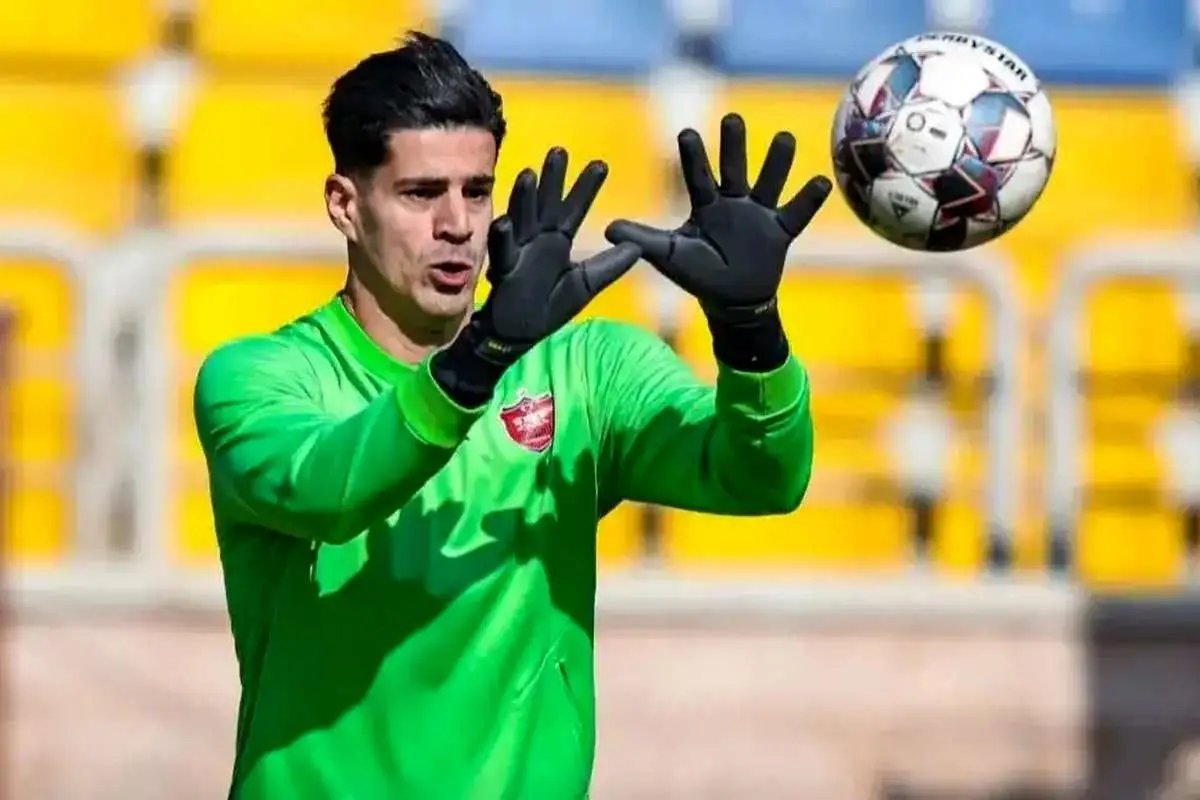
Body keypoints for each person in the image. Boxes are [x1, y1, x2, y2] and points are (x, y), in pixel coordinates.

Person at [194, 30, 829, 800]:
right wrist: (482, 356)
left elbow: (763, 478)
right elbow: (330, 491)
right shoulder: (257, 378)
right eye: (421, 193)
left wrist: (750, 331)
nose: (457, 224)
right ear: (345, 205)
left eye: (477, 190)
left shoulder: (585, 372)